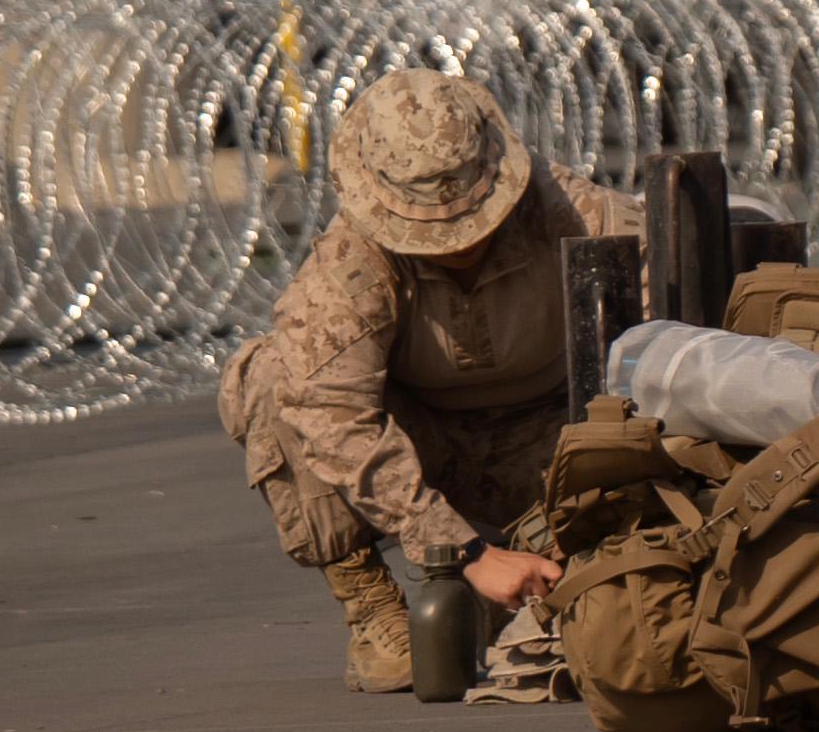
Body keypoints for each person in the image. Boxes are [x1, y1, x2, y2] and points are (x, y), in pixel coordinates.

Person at [219, 69, 644, 692]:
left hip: (554, 451)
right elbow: (331, 411)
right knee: (273, 375)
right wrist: (464, 553)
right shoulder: (352, 262)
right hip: (423, 452)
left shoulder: (574, 214)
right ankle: (373, 608)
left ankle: (535, 577)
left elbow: (668, 333)